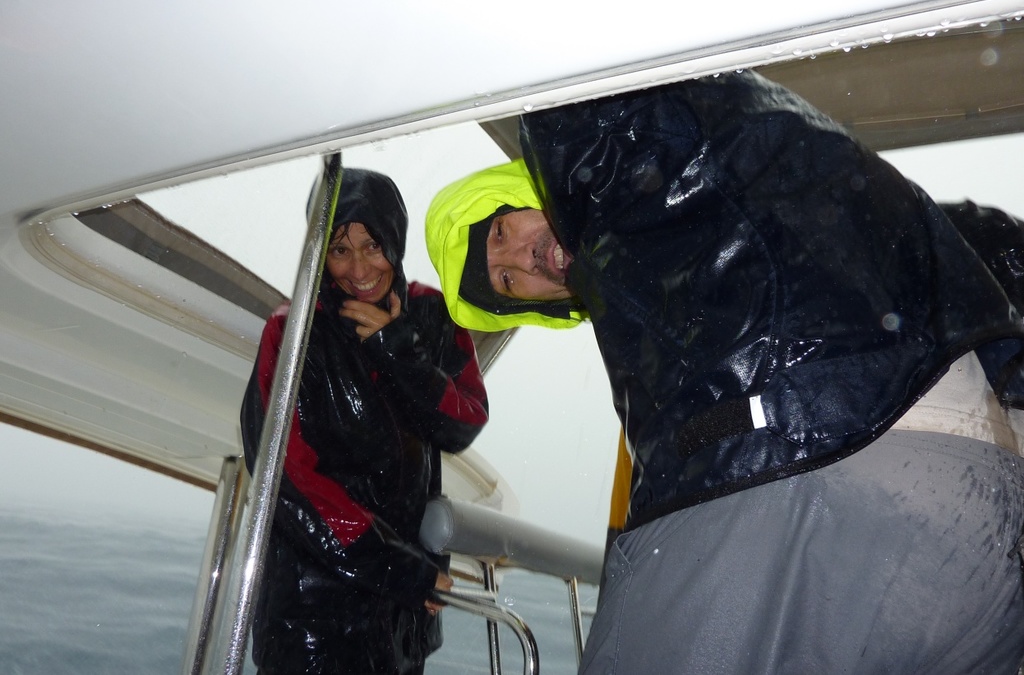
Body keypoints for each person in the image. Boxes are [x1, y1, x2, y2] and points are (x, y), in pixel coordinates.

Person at [424, 70, 1024, 673]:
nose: (523, 258)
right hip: (989, 524)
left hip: (797, 457)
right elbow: (986, 244)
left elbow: (587, 85)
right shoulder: (658, 308)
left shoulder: (620, 163)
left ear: (532, 185)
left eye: (500, 230)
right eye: (507, 282)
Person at [240, 168, 489, 675]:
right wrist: (397, 566)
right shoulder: (294, 331)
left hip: (401, 624)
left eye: (372, 245)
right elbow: (286, 477)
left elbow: (461, 425)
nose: (358, 269)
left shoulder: (432, 316)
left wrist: (397, 350)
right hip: (313, 622)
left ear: (394, 237)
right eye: (339, 249)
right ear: (319, 254)